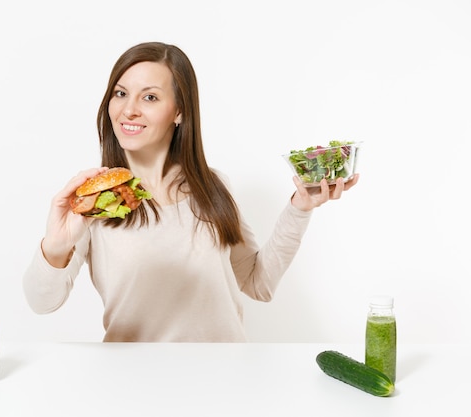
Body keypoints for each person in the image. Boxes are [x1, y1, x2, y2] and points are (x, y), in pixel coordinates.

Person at [22, 41, 359, 342]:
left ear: (179, 111)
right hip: (133, 386)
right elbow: (42, 302)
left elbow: (259, 283)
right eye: (120, 93)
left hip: (223, 381)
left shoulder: (213, 187)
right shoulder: (96, 200)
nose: (129, 109)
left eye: (150, 97)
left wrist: (300, 207)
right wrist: (55, 245)